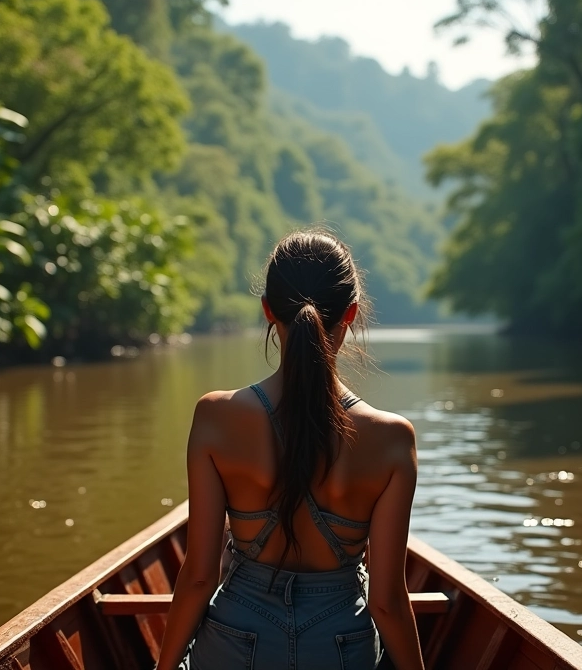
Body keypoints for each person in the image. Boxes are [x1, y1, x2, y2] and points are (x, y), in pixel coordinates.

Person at [154, 230, 424, 670]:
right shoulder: (392, 439)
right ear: (351, 314)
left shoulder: (215, 417)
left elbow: (200, 575)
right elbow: (388, 603)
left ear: (267, 310)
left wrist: (165, 668)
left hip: (236, 638)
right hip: (340, 644)